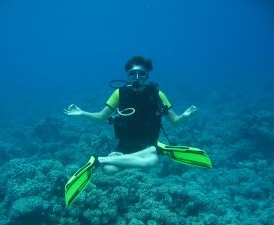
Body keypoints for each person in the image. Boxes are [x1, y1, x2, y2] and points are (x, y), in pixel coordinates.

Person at [64, 56, 211, 207]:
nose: (137, 77)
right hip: (126, 146)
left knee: (151, 162)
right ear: (128, 76)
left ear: (147, 75)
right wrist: (82, 113)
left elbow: (175, 122)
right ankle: (151, 151)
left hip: (148, 144)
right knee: (108, 170)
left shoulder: (158, 94)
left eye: (142, 73)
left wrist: (184, 116)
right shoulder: (119, 94)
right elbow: (101, 117)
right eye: (133, 74)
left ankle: (98, 160)